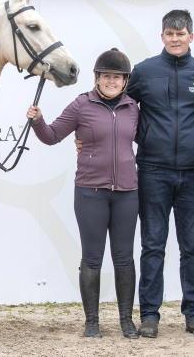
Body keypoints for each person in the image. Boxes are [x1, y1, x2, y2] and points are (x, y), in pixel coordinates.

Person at [116, 10, 194, 338]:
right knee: (153, 245)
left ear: (191, 36)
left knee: (192, 246)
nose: (175, 39)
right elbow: (121, 110)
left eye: (181, 33)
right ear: (162, 37)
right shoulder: (144, 71)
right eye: (170, 34)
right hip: (153, 171)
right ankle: (149, 316)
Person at [27, 48, 140, 339]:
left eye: (117, 77)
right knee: (92, 258)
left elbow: (147, 141)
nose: (111, 81)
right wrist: (38, 121)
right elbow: (52, 136)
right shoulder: (81, 105)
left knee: (124, 258)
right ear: (97, 77)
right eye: (106, 76)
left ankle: (127, 321)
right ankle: (92, 322)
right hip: (91, 193)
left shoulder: (133, 108)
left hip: (127, 193)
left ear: (125, 81)